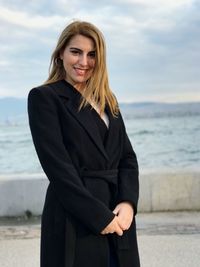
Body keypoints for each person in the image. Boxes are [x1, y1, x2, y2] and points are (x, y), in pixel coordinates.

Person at [28, 20, 140, 267]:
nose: (84, 62)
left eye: (92, 54)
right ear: (60, 54)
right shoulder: (44, 98)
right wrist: (100, 217)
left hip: (119, 216)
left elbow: (127, 158)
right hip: (75, 218)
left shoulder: (108, 100)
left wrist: (127, 203)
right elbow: (58, 169)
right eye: (76, 52)